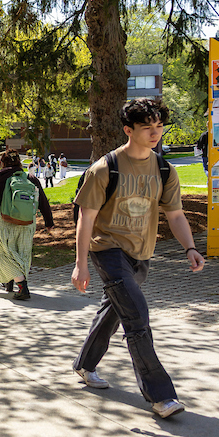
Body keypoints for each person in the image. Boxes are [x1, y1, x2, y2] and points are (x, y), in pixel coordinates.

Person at [71, 97, 204, 420]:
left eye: (159, 126)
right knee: (137, 318)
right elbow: (85, 219)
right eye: (147, 127)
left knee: (115, 312)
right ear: (128, 129)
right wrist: (81, 263)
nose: (155, 133)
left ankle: (85, 364)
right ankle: (161, 397)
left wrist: (190, 247)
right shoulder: (105, 168)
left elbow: (175, 215)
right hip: (108, 250)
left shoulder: (164, 169)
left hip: (141, 253)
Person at [0, 149, 53, 300]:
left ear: (3, 162)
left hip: (2, 221)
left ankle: (22, 286)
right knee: (21, 252)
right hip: (27, 220)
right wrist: (48, 221)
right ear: (19, 161)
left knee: (2, 253)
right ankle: (10, 282)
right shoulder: (30, 178)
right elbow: (43, 201)